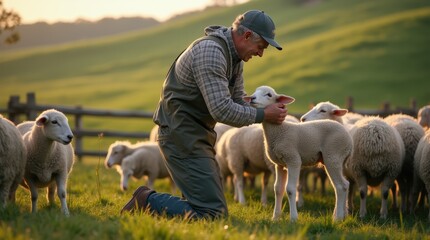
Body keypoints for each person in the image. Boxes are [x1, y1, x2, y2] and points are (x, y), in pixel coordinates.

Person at [121, 9, 287, 220]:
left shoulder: (234, 59)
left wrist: (268, 108)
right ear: (246, 36)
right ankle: (146, 200)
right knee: (212, 213)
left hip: (196, 135)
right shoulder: (211, 52)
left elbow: (236, 101)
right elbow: (222, 109)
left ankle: (171, 221)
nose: (261, 53)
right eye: (261, 46)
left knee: (205, 207)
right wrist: (264, 115)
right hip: (181, 136)